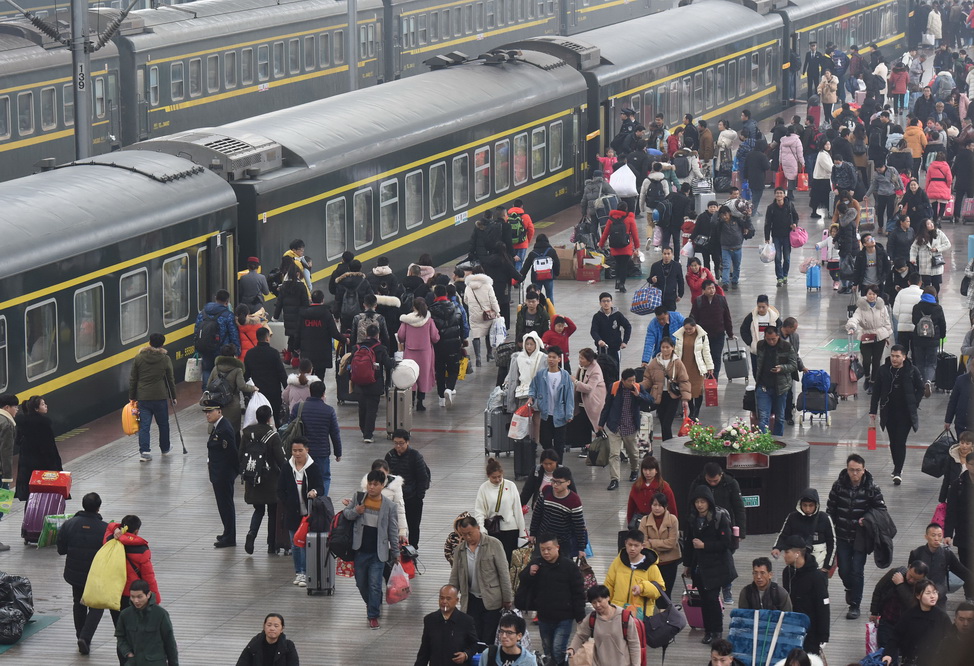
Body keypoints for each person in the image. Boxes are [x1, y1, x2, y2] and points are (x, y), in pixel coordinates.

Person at [827, 453, 887, 619]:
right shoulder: (838, 486)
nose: (854, 474)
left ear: (863, 470)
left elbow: (881, 511)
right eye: (851, 470)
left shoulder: (872, 488)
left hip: (861, 537)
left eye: (857, 470)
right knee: (844, 570)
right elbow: (830, 509)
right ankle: (850, 588)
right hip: (841, 535)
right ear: (847, 470)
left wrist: (867, 519)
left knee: (857, 571)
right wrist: (828, 528)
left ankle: (855, 605)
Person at [343, 470, 400, 629]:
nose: (372, 487)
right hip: (360, 550)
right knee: (361, 583)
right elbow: (346, 514)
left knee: (375, 583)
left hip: (378, 552)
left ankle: (373, 615)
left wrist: (395, 553)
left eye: (376, 484)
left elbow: (393, 531)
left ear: (383, 486)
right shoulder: (358, 498)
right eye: (370, 483)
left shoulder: (389, 506)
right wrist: (356, 511)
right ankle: (373, 602)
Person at [516, 534, 584, 666]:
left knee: (558, 649)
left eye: (549, 549)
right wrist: (530, 572)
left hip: (564, 617)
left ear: (557, 547)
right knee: (547, 650)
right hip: (544, 616)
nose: (546, 552)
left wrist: (580, 616)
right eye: (542, 549)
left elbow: (578, 592)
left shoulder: (569, 567)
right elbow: (522, 579)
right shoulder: (537, 563)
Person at [683, 485, 737, 644]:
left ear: (709, 502)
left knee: (713, 599)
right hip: (700, 567)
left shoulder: (719, 518)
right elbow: (688, 543)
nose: (699, 505)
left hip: (717, 566)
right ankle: (708, 631)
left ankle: (717, 631)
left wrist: (704, 545)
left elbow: (726, 543)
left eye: (702, 501)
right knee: (705, 600)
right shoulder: (692, 519)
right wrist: (687, 565)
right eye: (697, 502)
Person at [57, 492, 109, 655]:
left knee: (78, 603)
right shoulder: (105, 528)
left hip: (75, 574)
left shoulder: (69, 524)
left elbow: (61, 550)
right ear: (98, 507)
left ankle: (80, 634)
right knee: (97, 605)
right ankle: (85, 637)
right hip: (96, 574)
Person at [448, 515, 513, 643]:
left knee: (489, 637)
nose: (467, 538)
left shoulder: (494, 544)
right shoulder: (460, 550)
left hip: (492, 600)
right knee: (473, 636)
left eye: (470, 534)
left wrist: (508, 598)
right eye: (463, 535)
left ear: (478, 528)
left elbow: (504, 573)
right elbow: (454, 576)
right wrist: (450, 598)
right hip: (471, 600)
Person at [240, 405, 287, 556]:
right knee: (272, 512)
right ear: (269, 418)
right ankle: (271, 545)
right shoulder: (272, 435)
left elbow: (240, 455)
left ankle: (251, 534)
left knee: (258, 509)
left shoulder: (247, 433)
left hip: (253, 478)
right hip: (271, 479)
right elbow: (280, 459)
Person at [277, 436, 324, 586]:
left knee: (305, 543)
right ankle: (299, 572)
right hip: (292, 513)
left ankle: (306, 572)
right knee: (295, 543)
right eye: (294, 451)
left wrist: (315, 492)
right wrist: (287, 502)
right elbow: (280, 489)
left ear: (307, 450)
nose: (297, 454)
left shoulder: (313, 468)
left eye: (300, 450)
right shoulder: (287, 467)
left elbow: (321, 487)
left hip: (308, 514)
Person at [599, 368, 654, 491]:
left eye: (634, 380)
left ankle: (634, 470)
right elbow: (607, 406)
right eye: (630, 380)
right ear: (623, 380)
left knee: (633, 453)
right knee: (614, 454)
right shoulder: (614, 387)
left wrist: (638, 395)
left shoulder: (638, 388)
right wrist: (601, 423)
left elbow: (651, 400)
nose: (632, 382)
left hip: (630, 427)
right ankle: (614, 479)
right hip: (615, 426)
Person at [103, 514, 162, 622]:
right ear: (136, 531)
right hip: (132, 594)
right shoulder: (142, 549)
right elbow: (148, 576)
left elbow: (109, 526)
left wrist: (116, 529)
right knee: (133, 626)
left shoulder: (109, 540)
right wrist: (155, 599)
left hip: (114, 592)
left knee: (119, 626)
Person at [881, 579, 954, 666]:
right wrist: (888, 654)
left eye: (934, 592)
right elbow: (895, 637)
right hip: (910, 661)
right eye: (928, 593)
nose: (933, 596)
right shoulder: (909, 615)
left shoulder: (942, 617)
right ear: (918, 595)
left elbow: (951, 641)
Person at [128, 333, 176, 462]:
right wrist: (173, 396)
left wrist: (132, 396)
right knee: (163, 424)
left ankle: (145, 451)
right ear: (162, 344)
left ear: (149, 343)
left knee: (144, 425)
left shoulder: (139, 358)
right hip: (160, 396)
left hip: (143, 397)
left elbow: (133, 379)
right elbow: (170, 379)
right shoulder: (165, 359)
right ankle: (165, 448)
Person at [566, 585, 642, 666]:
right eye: (594, 602)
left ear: (608, 598)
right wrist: (572, 648)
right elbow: (580, 635)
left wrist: (636, 664)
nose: (597, 605)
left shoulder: (624, 617)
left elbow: (634, 644)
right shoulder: (592, 618)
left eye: (600, 601)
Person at [289, 381, 341, 496]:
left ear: (310, 392)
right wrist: (338, 452)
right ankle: (320, 502)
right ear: (323, 393)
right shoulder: (329, 410)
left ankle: (304, 501)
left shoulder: (298, 408)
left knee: (302, 477)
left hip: (302, 451)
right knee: (324, 478)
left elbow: (290, 428)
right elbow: (335, 433)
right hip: (322, 452)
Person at [781, 536, 831, 655]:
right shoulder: (787, 573)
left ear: (797, 553)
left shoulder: (816, 577)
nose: (784, 555)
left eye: (787, 552)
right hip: (791, 628)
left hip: (811, 631)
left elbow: (823, 606)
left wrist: (823, 635)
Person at [473, 458, 526, 564]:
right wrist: (482, 529)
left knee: (509, 561)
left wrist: (522, 531)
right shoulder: (483, 488)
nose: (497, 480)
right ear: (488, 476)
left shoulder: (510, 485)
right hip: (492, 530)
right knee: (493, 562)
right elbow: (479, 511)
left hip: (511, 529)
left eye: (499, 477)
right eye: (494, 477)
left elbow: (517, 510)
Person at [869, 560, 930, 653]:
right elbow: (879, 590)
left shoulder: (925, 586)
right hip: (887, 620)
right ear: (909, 567)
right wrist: (874, 612)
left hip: (907, 626)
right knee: (885, 652)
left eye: (916, 579)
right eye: (910, 576)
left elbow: (913, 605)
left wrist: (900, 585)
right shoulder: (896, 573)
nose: (911, 580)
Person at [114, 579, 178, 666]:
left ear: (148, 594)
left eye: (139, 597)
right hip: (133, 663)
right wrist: (129, 654)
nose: (136, 601)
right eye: (132, 597)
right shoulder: (125, 615)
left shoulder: (161, 614)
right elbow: (120, 637)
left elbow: (170, 642)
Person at [528, 346, 575, 462]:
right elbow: (533, 387)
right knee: (545, 441)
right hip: (545, 414)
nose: (551, 360)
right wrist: (531, 398)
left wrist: (569, 414)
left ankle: (558, 465)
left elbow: (569, 396)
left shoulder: (564, 376)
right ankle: (549, 463)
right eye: (549, 357)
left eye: (554, 357)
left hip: (560, 415)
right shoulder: (541, 375)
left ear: (559, 359)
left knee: (559, 443)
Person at [529, 466, 587, 559]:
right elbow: (537, 514)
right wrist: (532, 533)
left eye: (559, 482)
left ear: (568, 482)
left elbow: (579, 525)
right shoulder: (546, 491)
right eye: (553, 481)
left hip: (562, 543)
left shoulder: (574, 500)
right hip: (543, 539)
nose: (555, 485)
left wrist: (581, 548)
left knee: (562, 571)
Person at [203, 400, 240, 548]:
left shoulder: (224, 429)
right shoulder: (218, 426)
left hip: (223, 474)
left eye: (210, 411)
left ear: (219, 411)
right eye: (206, 412)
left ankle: (230, 537)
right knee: (223, 505)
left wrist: (234, 472)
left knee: (226, 506)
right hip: (218, 474)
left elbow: (232, 452)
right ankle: (227, 532)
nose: (207, 415)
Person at [908, 523, 973, 607]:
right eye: (933, 535)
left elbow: (962, 572)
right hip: (919, 597)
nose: (936, 539)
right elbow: (909, 575)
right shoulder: (916, 553)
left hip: (939, 597)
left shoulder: (947, 554)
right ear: (926, 537)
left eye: (939, 535)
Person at [385, 429, 430, 550]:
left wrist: (419, 495)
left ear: (407, 442)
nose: (398, 446)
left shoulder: (415, 456)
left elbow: (423, 477)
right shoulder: (389, 456)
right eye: (395, 443)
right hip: (396, 499)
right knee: (395, 525)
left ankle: (413, 549)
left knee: (413, 526)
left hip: (413, 498)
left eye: (401, 443)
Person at [349, 324, 395, 442]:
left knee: (362, 407)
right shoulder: (380, 348)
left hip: (359, 383)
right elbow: (389, 364)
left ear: (366, 334)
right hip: (374, 383)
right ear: (377, 335)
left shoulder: (357, 347)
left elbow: (351, 363)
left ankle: (364, 429)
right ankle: (368, 435)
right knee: (372, 410)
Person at [771, 488, 836, 571]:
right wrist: (777, 548)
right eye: (805, 505)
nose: (808, 509)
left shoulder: (825, 518)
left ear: (816, 505)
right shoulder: (792, 517)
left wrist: (827, 567)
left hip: (819, 565)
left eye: (811, 505)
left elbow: (832, 544)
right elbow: (784, 534)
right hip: (796, 564)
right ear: (800, 504)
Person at [414, 585, 479, 666]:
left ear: (456, 600)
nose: (444, 601)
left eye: (448, 599)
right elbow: (425, 649)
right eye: (441, 598)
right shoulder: (430, 620)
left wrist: (466, 655)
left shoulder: (466, 621)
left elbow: (475, 644)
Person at [14, 395, 62, 503]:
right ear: (36, 409)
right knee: (46, 497)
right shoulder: (44, 424)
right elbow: (49, 448)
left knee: (31, 497)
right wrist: (55, 466)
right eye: (43, 404)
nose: (46, 406)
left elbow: (17, 441)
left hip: (28, 469)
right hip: (44, 467)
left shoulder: (23, 423)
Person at [846, 285, 894, 393]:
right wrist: (852, 327)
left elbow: (887, 322)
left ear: (877, 295)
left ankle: (873, 382)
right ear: (866, 295)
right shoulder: (860, 308)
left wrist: (887, 336)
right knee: (866, 360)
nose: (871, 296)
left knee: (877, 361)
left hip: (879, 336)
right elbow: (854, 318)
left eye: (874, 294)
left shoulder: (882, 307)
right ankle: (867, 377)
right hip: (866, 336)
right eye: (869, 294)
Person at [642, 337, 690, 441]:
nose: (665, 349)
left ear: (672, 348)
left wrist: (685, 399)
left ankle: (668, 445)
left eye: (667, 347)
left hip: (672, 396)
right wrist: (639, 386)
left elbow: (684, 380)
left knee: (666, 424)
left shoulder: (677, 363)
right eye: (663, 347)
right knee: (663, 422)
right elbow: (648, 379)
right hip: (659, 396)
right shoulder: (655, 362)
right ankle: (666, 444)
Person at [753, 326, 797, 436]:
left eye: (773, 339)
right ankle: (763, 442)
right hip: (763, 387)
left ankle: (778, 442)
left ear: (778, 336)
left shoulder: (787, 347)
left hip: (781, 388)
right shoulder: (760, 345)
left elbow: (793, 365)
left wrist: (781, 368)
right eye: (768, 339)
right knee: (763, 417)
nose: (771, 342)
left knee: (780, 418)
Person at [399, 298, 441, 412]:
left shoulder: (407, 320)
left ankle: (410, 401)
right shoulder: (429, 320)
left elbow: (401, 335)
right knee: (423, 376)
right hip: (425, 352)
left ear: (413, 307)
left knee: (410, 376)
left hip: (410, 351)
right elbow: (435, 337)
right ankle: (420, 402)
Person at [504, 332, 546, 444]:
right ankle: (522, 442)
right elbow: (513, 376)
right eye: (527, 344)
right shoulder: (518, 357)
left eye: (531, 344)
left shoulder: (543, 358)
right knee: (522, 419)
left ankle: (535, 442)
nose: (529, 347)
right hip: (522, 393)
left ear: (536, 344)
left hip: (538, 394)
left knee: (536, 419)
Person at [207, 343, 256, 437]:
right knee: (233, 432)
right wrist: (253, 388)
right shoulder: (237, 369)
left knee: (219, 431)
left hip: (218, 404)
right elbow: (242, 386)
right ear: (234, 355)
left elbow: (209, 385)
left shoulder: (216, 368)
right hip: (232, 405)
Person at [636, 492, 681, 593]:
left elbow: (671, 543)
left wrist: (652, 543)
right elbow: (643, 543)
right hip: (651, 563)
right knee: (651, 592)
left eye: (660, 505)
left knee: (666, 593)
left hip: (669, 562)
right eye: (654, 505)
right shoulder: (644, 520)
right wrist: (661, 544)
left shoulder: (673, 520)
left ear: (665, 506)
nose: (657, 508)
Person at [244, 327, 288, 428]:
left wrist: (247, 393)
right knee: (275, 419)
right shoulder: (274, 353)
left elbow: (246, 375)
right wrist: (287, 389)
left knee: (259, 420)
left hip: (257, 393)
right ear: (267, 338)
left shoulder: (250, 354)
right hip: (274, 392)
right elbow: (281, 373)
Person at [195, 289, 241, 386]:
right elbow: (233, 333)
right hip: (222, 349)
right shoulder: (228, 315)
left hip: (205, 347)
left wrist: (197, 345)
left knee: (207, 370)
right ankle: (220, 392)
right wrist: (236, 349)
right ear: (227, 302)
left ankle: (206, 391)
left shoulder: (203, 313)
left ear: (215, 299)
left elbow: (197, 330)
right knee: (221, 371)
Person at [294, 289, 343, 378]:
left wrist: (296, 347)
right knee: (320, 378)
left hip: (307, 351)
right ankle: (318, 391)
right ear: (322, 300)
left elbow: (297, 332)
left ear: (311, 300)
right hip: (322, 352)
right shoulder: (326, 313)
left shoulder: (303, 314)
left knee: (307, 378)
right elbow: (334, 333)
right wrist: (345, 340)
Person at [691, 280, 735, 378]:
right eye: (709, 288)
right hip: (703, 336)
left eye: (713, 288)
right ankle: (706, 377)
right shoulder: (698, 301)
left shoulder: (721, 300)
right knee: (704, 357)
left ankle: (714, 379)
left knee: (716, 357)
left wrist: (730, 333)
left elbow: (727, 317)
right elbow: (693, 318)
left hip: (718, 335)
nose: (712, 290)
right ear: (703, 290)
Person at [674, 317, 714, 420]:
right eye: (686, 329)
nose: (688, 331)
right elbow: (676, 352)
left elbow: (706, 352)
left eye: (690, 329)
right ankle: (691, 411)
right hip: (684, 367)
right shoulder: (679, 336)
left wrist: (709, 366)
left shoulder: (702, 336)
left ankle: (696, 412)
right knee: (688, 391)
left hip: (697, 368)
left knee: (698, 390)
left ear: (695, 327)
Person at [912, 286, 947, 395]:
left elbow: (914, 321)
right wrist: (942, 336)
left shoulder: (917, 307)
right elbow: (942, 323)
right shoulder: (938, 308)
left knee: (920, 362)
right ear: (935, 295)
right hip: (933, 339)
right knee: (931, 363)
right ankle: (928, 381)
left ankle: (921, 382)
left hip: (918, 339)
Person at [463, 268, 500, 368]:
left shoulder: (468, 287)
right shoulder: (487, 285)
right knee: (488, 333)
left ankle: (478, 358)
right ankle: (489, 354)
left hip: (474, 314)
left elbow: (465, 300)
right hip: (487, 314)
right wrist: (497, 311)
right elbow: (493, 300)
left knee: (476, 335)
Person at [599, 202, 639, 293]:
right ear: (626, 209)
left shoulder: (611, 219)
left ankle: (617, 280)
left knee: (617, 263)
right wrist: (637, 246)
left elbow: (605, 233)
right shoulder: (629, 219)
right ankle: (622, 284)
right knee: (624, 265)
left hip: (615, 246)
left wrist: (601, 244)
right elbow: (635, 234)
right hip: (626, 247)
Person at [739, 294, 783, 378]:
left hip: (771, 350)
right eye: (759, 307)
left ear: (768, 306)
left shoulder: (774, 317)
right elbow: (743, 330)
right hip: (756, 350)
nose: (761, 309)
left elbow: (780, 330)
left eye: (763, 307)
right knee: (756, 372)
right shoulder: (751, 317)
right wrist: (750, 342)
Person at [945, 451, 974, 573]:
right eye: (972, 464)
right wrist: (948, 533)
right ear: (966, 465)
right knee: (966, 569)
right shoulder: (958, 484)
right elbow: (951, 510)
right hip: (964, 534)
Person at [763, 188, 799, 286]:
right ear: (775, 195)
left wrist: (795, 224)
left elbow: (796, 217)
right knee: (777, 258)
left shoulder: (790, 205)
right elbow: (767, 223)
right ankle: (779, 278)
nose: (779, 195)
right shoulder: (771, 208)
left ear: (784, 195)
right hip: (776, 236)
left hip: (787, 236)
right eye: (777, 193)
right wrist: (767, 237)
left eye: (781, 193)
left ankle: (785, 275)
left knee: (787, 258)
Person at [715, 204, 752, 289]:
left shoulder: (737, 220)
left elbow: (747, 224)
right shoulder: (720, 224)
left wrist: (748, 215)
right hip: (725, 248)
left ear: (730, 213)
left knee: (736, 266)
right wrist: (717, 212)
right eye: (722, 215)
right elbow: (713, 222)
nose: (724, 217)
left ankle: (735, 280)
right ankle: (725, 282)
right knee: (726, 266)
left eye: (726, 214)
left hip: (737, 248)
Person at [911, 218, 951, 294]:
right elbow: (914, 248)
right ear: (924, 226)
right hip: (924, 265)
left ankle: (935, 300)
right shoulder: (920, 237)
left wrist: (937, 249)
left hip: (936, 264)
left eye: (931, 223)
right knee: (926, 285)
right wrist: (913, 258)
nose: (931, 225)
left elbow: (947, 244)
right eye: (928, 224)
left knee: (936, 285)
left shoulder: (939, 233)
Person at [590, 293, 631, 367]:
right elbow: (593, 331)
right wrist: (599, 340)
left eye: (608, 301)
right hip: (602, 349)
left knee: (615, 369)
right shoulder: (597, 316)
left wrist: (625, 341)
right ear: (600, 303)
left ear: (611, 302)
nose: (606, 303)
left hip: (615, 348)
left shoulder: (618, 315)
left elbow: (628, 326)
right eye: (603, 301)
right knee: (602, 370)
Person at [937, 430, 973, 502]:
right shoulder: (951, 458)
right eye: (962, 443)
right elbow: (946, 479)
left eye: (967, 443)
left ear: (972, 445)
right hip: (954, 495)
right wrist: (942, 499)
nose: (964, 446)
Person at [892, 271, 923, 350]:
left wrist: (902, 320)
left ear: (908, 282)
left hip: (902, 328)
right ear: (920, 283)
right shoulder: (922, 293)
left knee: (902, 352)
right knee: (916, 353)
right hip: (916, 328)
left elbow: (895, 312)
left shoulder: (901, 292)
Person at [648, 246, 685, 311]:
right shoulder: (655, 266)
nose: (666, 256)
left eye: (668, 254)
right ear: (662, 254)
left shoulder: (677, 266)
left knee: (671, 316)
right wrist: (652, 280)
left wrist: (680, 294)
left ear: (672, 255)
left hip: (671, 297)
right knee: (660, 317)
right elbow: (649, 279)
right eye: (664, 254)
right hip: (658, 298)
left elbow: (680, 281)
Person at [810, 139, 834, 219]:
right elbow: (828, 167)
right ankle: (830, 213)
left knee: (819, 197)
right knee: (824, 197)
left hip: (822, 178)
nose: (828, 146)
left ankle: (818, 212)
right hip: (821, 179)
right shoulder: (822, 155)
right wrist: (835, 170)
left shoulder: (825, 154)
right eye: (826, 144)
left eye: (829, 144)